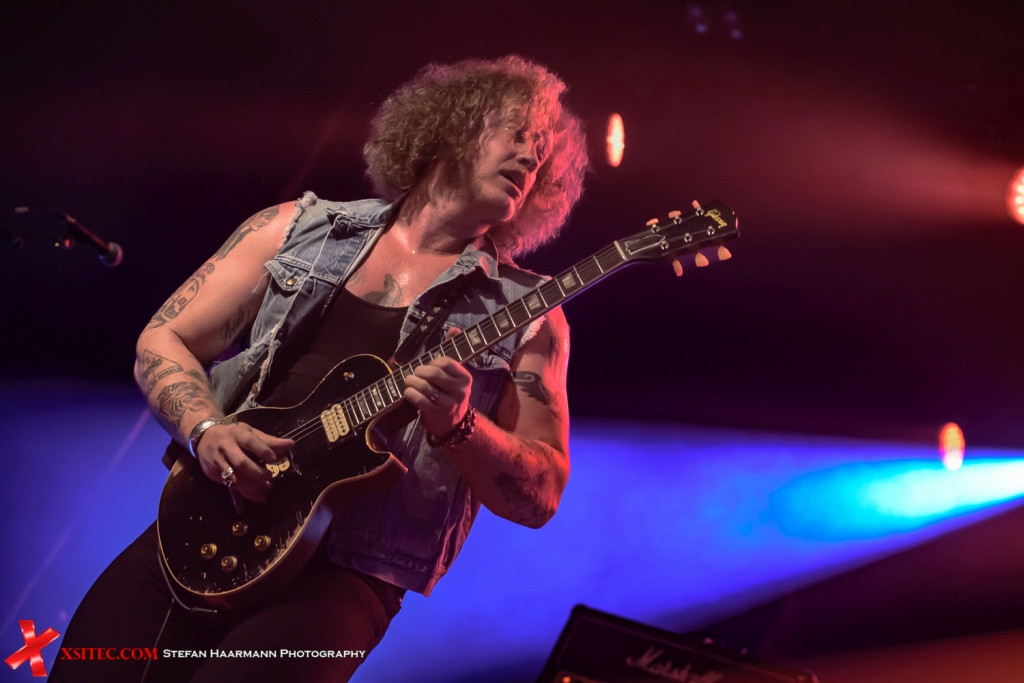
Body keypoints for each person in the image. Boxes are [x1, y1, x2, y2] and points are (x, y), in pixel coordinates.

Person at [50, 55, 588, 683]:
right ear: (454, 125)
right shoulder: (297, 229)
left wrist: (460, 424)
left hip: (344, 579)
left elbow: (541, 495)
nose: (531, 157)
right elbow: (164, 338)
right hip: (201, 528)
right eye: (519, 133)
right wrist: (205, 429)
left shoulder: (532, 313)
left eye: (542, 153)